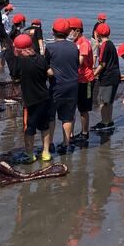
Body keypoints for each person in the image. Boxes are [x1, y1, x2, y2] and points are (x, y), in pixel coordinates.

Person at [6, 34, 53, 164]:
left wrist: (9, 52)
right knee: (44, 126)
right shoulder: (41, 59)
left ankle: (29, 154)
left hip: (30, 101)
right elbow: (50, 73)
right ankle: (46, 153)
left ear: (19, 50)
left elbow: (14, 75)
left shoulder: (20, 63)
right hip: (44, 97)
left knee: (29, 129)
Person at [45, 18, 79, 154]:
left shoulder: (50, 47)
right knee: (67, 116)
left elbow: (45, 66)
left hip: (56, 85)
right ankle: (66, 143)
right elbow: (76, 64)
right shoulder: (74, 46)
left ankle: (50, 143)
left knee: (51, 116)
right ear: (68, 32)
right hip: (72, 85)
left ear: (53, 32)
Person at [68, 17, 95, 143]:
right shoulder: (73, 43)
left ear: (77, 31)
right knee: (72, 107)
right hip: (75, 79)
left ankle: (84, 133)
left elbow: (79, 61)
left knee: (83, 109)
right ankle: (71, 134)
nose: (68, 32)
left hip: (86, 80)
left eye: (70, 30)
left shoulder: (84, 43)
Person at [92, 23, 121, 132]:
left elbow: (102, 64)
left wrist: (93, 75)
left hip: (108, 77)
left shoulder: (104, 45)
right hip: (115, 76)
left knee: (103, 101)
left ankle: (104, 122)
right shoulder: (110, 44)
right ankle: (108, 121)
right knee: (109, 101)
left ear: (98, 34)